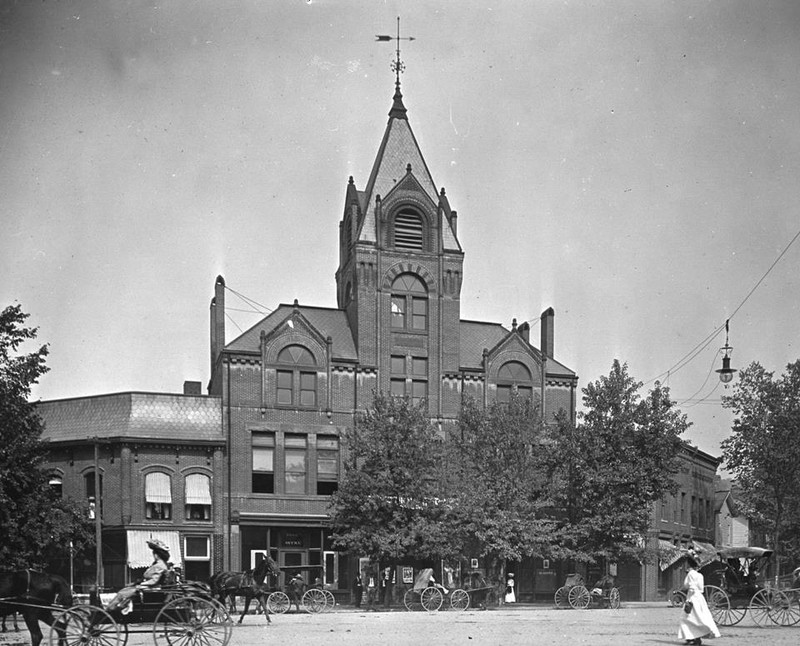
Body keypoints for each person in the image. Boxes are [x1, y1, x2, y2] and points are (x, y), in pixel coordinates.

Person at [105, 538, 170, 613]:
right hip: (148, 587)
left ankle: (109, 609)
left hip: (150, 589)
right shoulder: (158, 565)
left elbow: (154, 580)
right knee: (125, 590)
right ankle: (118, 607)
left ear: (157, 555)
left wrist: (141, 584)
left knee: (122, 593)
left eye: (154, 554)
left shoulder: (160, 565)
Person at [678, 557, 720, 645]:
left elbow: (686, 585)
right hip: (699, 598)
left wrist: (686, 591)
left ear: (690, 565)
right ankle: (698, 637)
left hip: (692, 597)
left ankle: (691, 638)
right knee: (699, 616)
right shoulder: (700, 576)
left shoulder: (690, 574)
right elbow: (701, 589)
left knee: (687, 617)